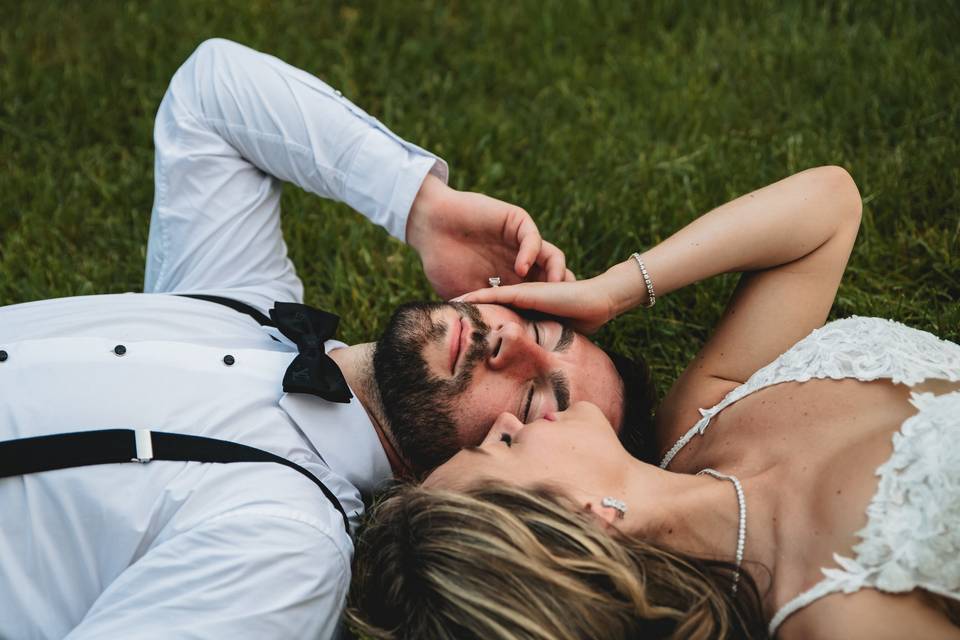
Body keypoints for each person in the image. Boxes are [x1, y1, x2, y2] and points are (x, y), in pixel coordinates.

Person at [0, 39, 638, 639]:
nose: (509, 346)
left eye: (532, 402)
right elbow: (212, 90)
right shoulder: (243, 304)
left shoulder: (286, 550)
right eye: (538, 327)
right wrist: (423, 208)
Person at [348, 166, 960, 639]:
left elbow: (828, 204)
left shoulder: (699, 427)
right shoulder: (840, 614)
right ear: (584, 517)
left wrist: (612, 291)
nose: (506, 420)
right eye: (505, 439)